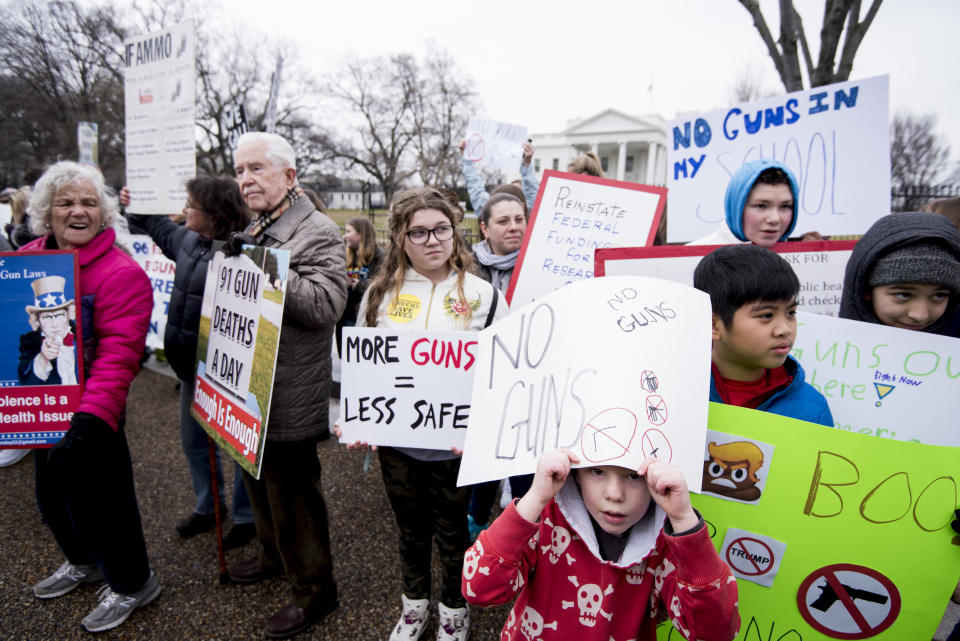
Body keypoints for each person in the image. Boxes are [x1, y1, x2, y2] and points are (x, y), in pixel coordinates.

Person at [340, 186, 507, 641]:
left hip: (454, 448)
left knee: (452, 535)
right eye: (419, 232)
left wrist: (483, 429)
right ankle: (414, 607)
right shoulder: (378, 294)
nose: (433, 240)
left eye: (442, 229)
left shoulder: (484, 296)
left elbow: (501, 375)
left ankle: (454, 609)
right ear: (400, 237)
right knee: (410, 532)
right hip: (398, 447)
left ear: (456, 232)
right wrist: (359, 421)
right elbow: (364, 366)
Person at [22, 161, 159, 632]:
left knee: (104, 506)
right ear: (46, 213)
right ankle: (82, 562)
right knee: (52, 500)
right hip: (37, 411)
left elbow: (120, 355)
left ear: (103, 213)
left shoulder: (121, 273)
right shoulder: (24, 264)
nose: (78, 212)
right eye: (66, 203)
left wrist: (90, 419)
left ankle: (132, 583)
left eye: (88, 203)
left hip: (92, 418)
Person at [225, 132, 347, 640]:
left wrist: (259, 265)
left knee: (294, 496)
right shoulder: (259, 224)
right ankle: (274, 555)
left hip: (289, 391)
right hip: (250, 387)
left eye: (256, 168)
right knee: (257, 481)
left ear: (289, 176)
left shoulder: (317, 230)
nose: (245, 179)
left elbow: (324, 307)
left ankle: (314, 591)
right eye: (239, 170)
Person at [462, 449, 740, 641]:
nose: (614, 494)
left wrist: (685, 523)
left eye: (634, 476)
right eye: (597, 471)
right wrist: (534, 498)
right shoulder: (546, 521)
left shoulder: (665, 547)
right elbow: (479, 587)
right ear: (576, 473)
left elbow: (713, 632)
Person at [125, 177, 256, 548]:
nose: (184, 211)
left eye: (191, 206)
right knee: (194, 443)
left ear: (214, 214)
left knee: (235, 448)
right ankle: (208, 506)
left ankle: (247, 517)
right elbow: (153, 223)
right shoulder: (185, 241)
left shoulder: (242, 253)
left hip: (228, 374)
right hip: (189, 368)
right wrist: (138, 198)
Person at [693, 244, 833, 426]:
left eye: (791, 313)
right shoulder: (674, 394)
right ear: (714, 324)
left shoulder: (812, 410)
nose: (784, 329)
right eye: (766, 315)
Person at [839, 211, 960, 338]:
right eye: (903, 295)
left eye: (939, 295)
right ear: (867, 291)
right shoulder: (828, 349)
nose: (920, 315)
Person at [689, 159, 805, 247]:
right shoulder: (689, 260)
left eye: (785, 206)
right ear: (736, 209)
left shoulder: (806, 261)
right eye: (761, 206)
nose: (774, 219)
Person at [336, 216, 384, 356]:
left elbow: (382, 283)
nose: (345, 236)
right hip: (346, 315)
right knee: (346, 357)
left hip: (364, 316)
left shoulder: (379, 256)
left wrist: (359, 285)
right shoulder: (346, 256)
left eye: (349, 231)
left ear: (361, 234)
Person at [18, 276, 78, 385]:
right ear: (37, 321)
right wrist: (43, 359)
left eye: (60, 315)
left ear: (68, 316)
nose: (55, 324)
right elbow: (25, 384)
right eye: (46, 317)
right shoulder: (30, 343)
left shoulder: (81, 336)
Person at [461, 139, 539, 213]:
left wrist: (467, 160)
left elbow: (475, 189)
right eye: (502, 221)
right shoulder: (490, 210)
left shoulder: (527, 212)